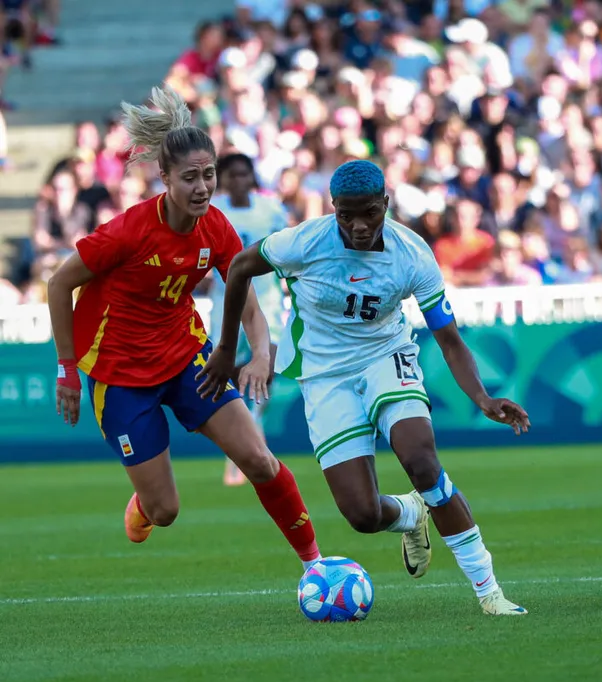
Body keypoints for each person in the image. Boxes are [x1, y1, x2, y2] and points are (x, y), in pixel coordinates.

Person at [203, 160, 532, 616]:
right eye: (347, 215)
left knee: (421, 461)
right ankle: (411, 514)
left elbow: (450, 340)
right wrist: (224, 348)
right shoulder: (304, 240)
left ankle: (489, 592)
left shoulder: (411, 254)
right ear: (333, 208)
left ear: (386, 205)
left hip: (385, 358)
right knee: (362, 515)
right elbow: (238, 267)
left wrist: (482, 398)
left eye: (370, 214)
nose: (359, 226)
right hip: (324, 376)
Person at [46, 86, 322, 572]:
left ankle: (317, 565)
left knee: (258, 459)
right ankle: (145, 505)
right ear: (165, 177)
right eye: (190, 177)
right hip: (122, 376)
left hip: (187, 358)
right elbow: (58, 284)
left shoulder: (216, 228)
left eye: (208, 175)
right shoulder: (127, 231)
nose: (202, 187)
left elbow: (252, 308)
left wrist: (261, 354)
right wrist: (68, 370)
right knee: (165, 511)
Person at [208, 153, 290, 487]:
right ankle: (239, 447)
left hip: (266, 301)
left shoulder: (270, 209)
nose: (239, 180)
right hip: (224, 302)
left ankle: (253, 438)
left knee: (266, 368)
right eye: (232, 175)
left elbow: (287, 250)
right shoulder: (213, 211)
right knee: (222, 371)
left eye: (244, 174)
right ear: (223, 179)